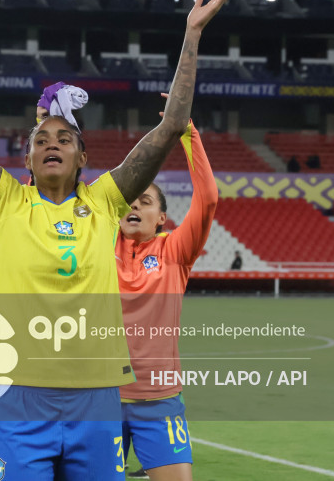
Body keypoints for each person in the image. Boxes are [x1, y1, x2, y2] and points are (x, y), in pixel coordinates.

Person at [0, 0, 231, 479]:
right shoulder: (4, 201)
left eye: (64, 138)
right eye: (40, 138)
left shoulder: (105, 202)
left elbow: (172, 125)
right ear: (27, 158)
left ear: (83, 157)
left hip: (98, 400)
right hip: (18, 397)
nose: (52, 143)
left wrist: (192, 37)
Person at [116, 118, 217, 481]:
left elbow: (207, 201)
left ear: (161, 218)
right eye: (129, 199)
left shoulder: (174, 250)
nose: (134, 205)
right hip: (98, 399)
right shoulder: (97, 246)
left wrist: (189, 136)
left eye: (144, 201)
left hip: (157, 400)